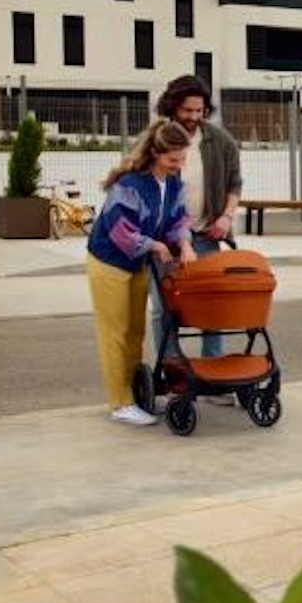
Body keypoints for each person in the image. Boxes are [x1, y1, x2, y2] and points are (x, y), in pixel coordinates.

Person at [87, 119, 197, 426]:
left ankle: (136, 394)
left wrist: (185, 243)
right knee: (115, 334)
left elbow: (178, 219)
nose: (179, 164)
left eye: (183, 158)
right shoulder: (129, 185)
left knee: (135, 331)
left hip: (137, 264)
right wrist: (155, 245)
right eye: (174, 159)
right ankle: (120, 403)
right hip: (108, 262)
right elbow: (120, 230)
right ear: (157, 154)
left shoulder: (172, 183)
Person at [148, 76, 242, 405]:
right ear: (173, 106)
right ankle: (174, 377)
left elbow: (234, 183)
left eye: (199, 110)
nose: (193, 116)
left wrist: (226, 217)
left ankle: (213, 377)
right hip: (165, 242)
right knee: (165, 311)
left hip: (206, 237)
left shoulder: (219, 140)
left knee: (212, 308)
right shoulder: (157, 140)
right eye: (187, 109)